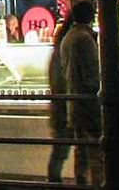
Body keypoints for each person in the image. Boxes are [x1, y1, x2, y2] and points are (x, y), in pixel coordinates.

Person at [61, 1, 102, 186]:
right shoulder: (85, 39)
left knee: (81, 150)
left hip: (73, 100)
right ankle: (98, 183)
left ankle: (81, 182)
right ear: (90, 16)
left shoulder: (68, 37)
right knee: (95, 150)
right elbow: (91, 75)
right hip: (87, 102)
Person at [47, 20, 73, 183]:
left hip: (61, 107)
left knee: (60, 151)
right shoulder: (64, 52)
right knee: (61, 151)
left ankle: (55, 180)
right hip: (65, 107)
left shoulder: (58, 52)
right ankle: (54, 181)